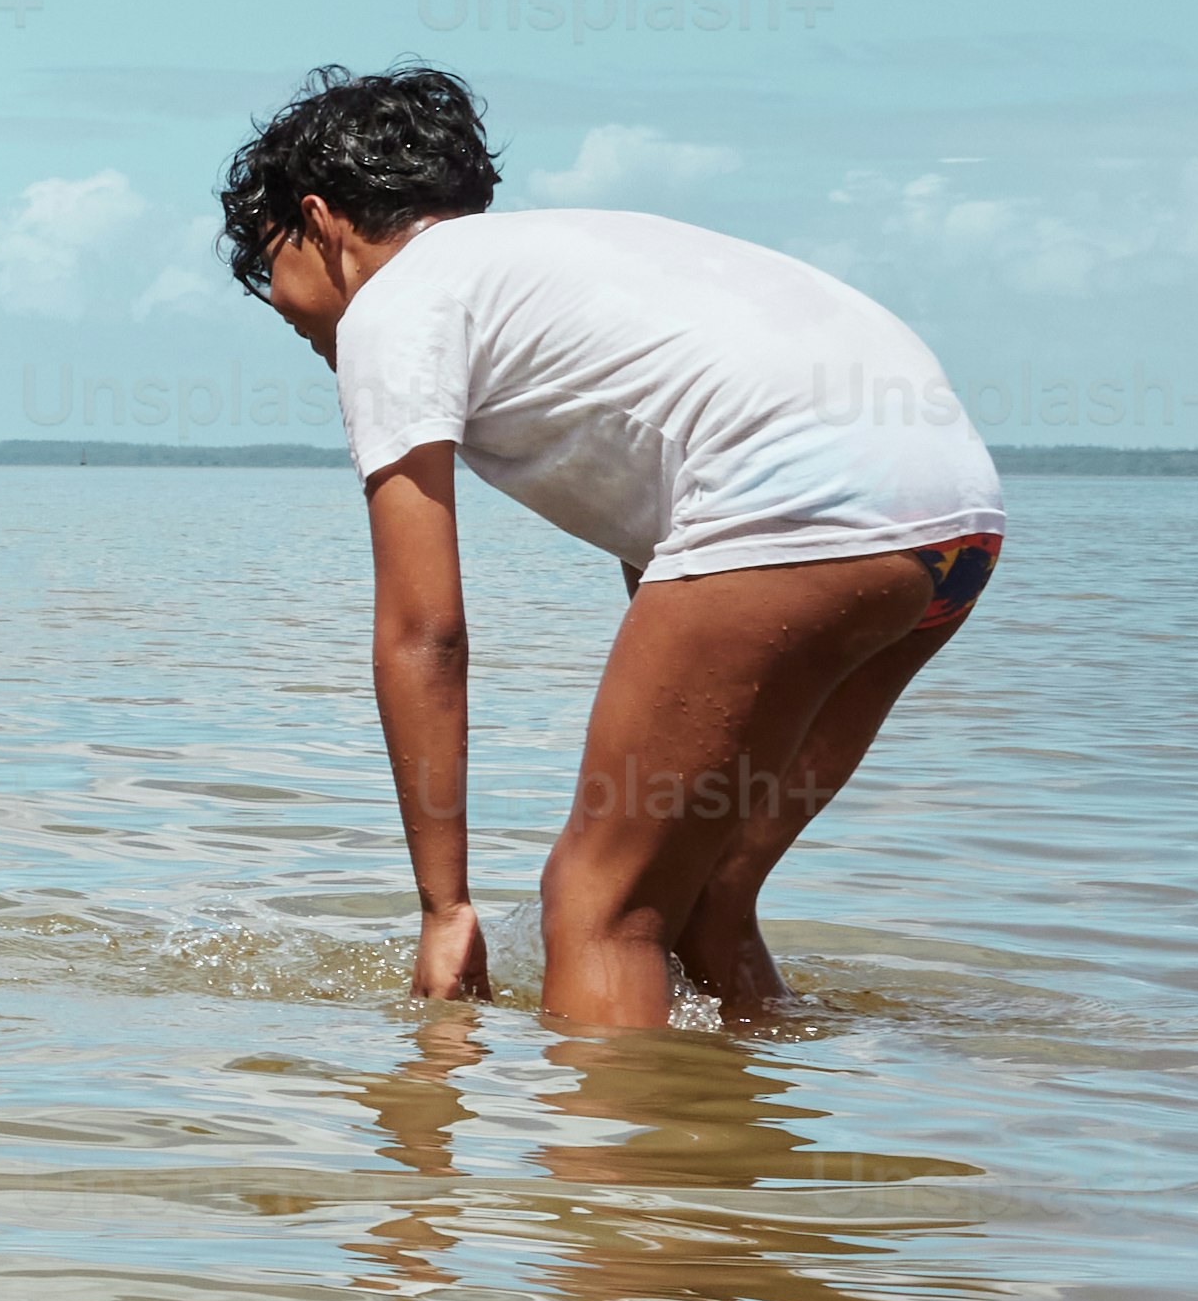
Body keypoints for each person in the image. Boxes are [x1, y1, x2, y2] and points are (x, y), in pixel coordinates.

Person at [216, 64, 1002, 1033]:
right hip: (952, 522)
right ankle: (723, 1160)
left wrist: (444, 908)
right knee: (704, 896)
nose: (283, 310)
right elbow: (667, 541)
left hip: (799, 507)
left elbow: (425, 633)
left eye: (270, 269)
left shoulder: (395, 302)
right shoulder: (564, 259)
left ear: (319, 220)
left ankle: (608, 1188)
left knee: (594, 910)